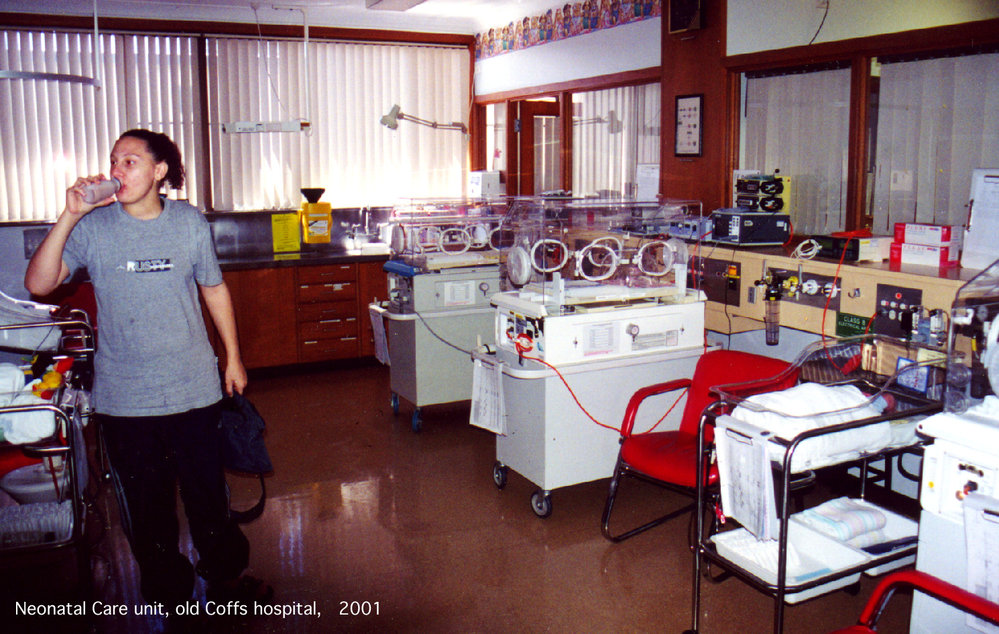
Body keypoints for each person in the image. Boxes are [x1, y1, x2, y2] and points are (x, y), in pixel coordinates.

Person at [24, 129, 270, 608]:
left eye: (131, 161)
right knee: (147, 510)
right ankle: (169, 594)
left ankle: (225, 578)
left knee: (209, 501)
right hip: (125, 400)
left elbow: (213, 289)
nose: (117, 170)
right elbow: (39, 284)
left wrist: (233, 357)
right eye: (115, 160)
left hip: (193, 391)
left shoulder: (188, 222)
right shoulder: (93, 228)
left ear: (160, 171)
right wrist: (70, 215)